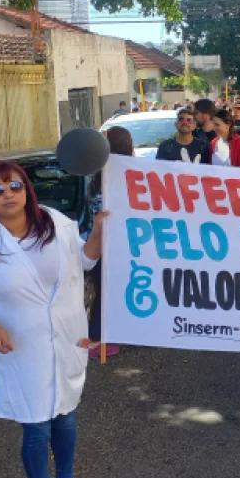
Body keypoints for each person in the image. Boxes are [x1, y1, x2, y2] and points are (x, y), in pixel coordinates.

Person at [0, 160, 108, 478]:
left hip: (67, 335)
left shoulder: (56, 222)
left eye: (15, 186)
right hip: (20, 344)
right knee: (37, 425)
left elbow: (86, 260)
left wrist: (99, 234)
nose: (8, 194)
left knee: (66, 416)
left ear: (27, 189)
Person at [86, 127, 133, 359]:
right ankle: (99, 339)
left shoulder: (96, 175)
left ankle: (102, 337)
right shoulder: (126, 175)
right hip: (119, 245)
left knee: (105, 292)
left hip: (102, 244)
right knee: (110, 292)